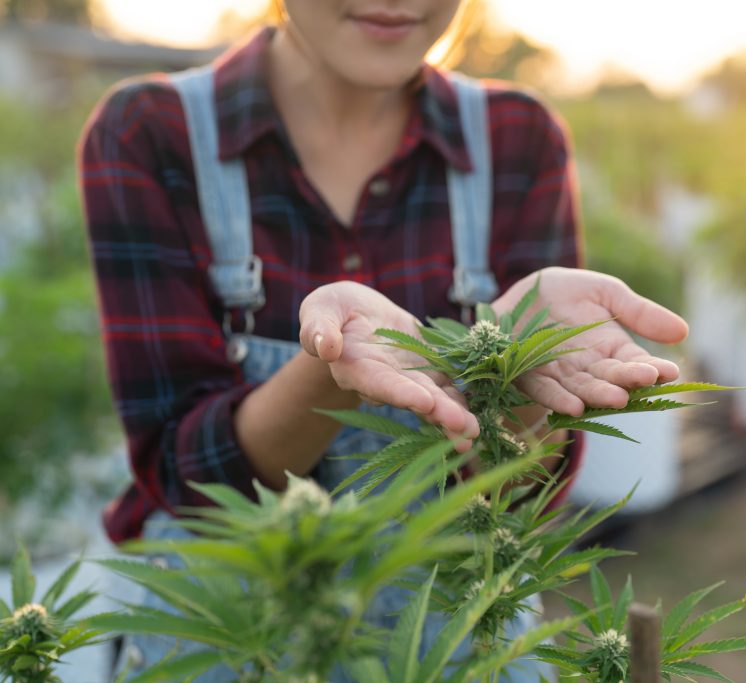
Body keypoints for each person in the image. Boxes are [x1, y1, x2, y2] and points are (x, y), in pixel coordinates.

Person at [79, 0, 689, 679]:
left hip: (454, 640)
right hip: (239, 638)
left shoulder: (519, 137)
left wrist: (516, 377)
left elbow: (514, 493)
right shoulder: (151, 133)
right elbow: (183, 471)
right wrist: (327, 364)